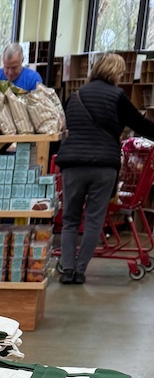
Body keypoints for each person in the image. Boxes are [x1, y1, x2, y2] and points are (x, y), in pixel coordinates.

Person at [56, 52, 154, 284]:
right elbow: (140, 124)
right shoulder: (118, 96)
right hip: (103, 167)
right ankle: (80, 271)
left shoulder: (75, 95)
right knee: (93, 219)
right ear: (116, 73)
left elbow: (61, 125)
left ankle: (67, 269)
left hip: (72, 165)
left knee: (70, 219)